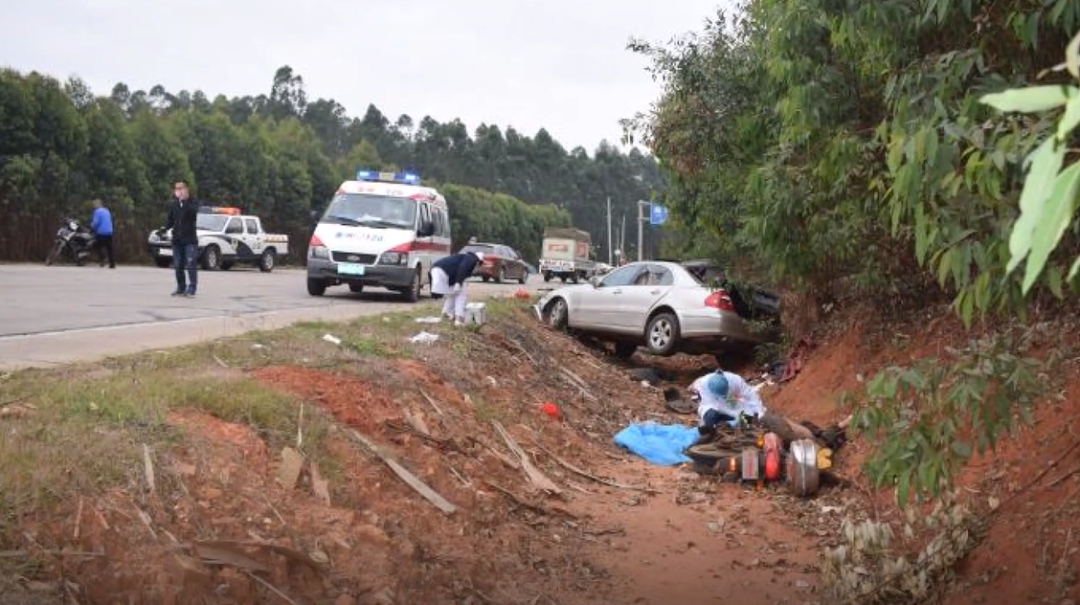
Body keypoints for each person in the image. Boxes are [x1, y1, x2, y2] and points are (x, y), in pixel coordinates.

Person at [688, 369, 817, 446]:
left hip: (731, 401)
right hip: (712, 405)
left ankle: (750, 428)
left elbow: (750, 395)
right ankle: (709, 434)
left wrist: (759, 412)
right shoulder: (703, 384)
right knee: (710, 416)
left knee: (747, 419)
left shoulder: (734, 380)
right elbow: (709, 404)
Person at [159, 181, 201, 297]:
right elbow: (171, 220)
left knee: (190, 263)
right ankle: (181, 287)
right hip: (177, 239)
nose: (178, 191)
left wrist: (185, 201)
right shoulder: (174, 204)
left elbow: (193, 213)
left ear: (186, 189)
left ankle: (192, 288)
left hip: (190, 240)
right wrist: (164, 229)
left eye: (181, 188)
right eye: (176, 189)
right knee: (178, 265)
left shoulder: (193, 202)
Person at [431, 250, 484, 325]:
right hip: (443, 271)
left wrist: (458, 282)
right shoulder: (471, 259)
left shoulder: (465, 258)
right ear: (478, 261)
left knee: (453, 294)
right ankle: (459, 318)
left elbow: (460, 271)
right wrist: (458, 283)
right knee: (462, 293)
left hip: (437, 270)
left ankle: (446, 314)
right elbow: (462, 268)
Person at [89, 199, 115, 269]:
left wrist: (91, 228)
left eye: (94, 205)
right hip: (109, 232)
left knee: (97, 245)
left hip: (101, 233)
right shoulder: (107, 211)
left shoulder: (97, 211)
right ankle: (112, 264)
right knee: (110, 248)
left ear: (98, 205)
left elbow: (95, 223)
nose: (94, 206)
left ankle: (102, 259)